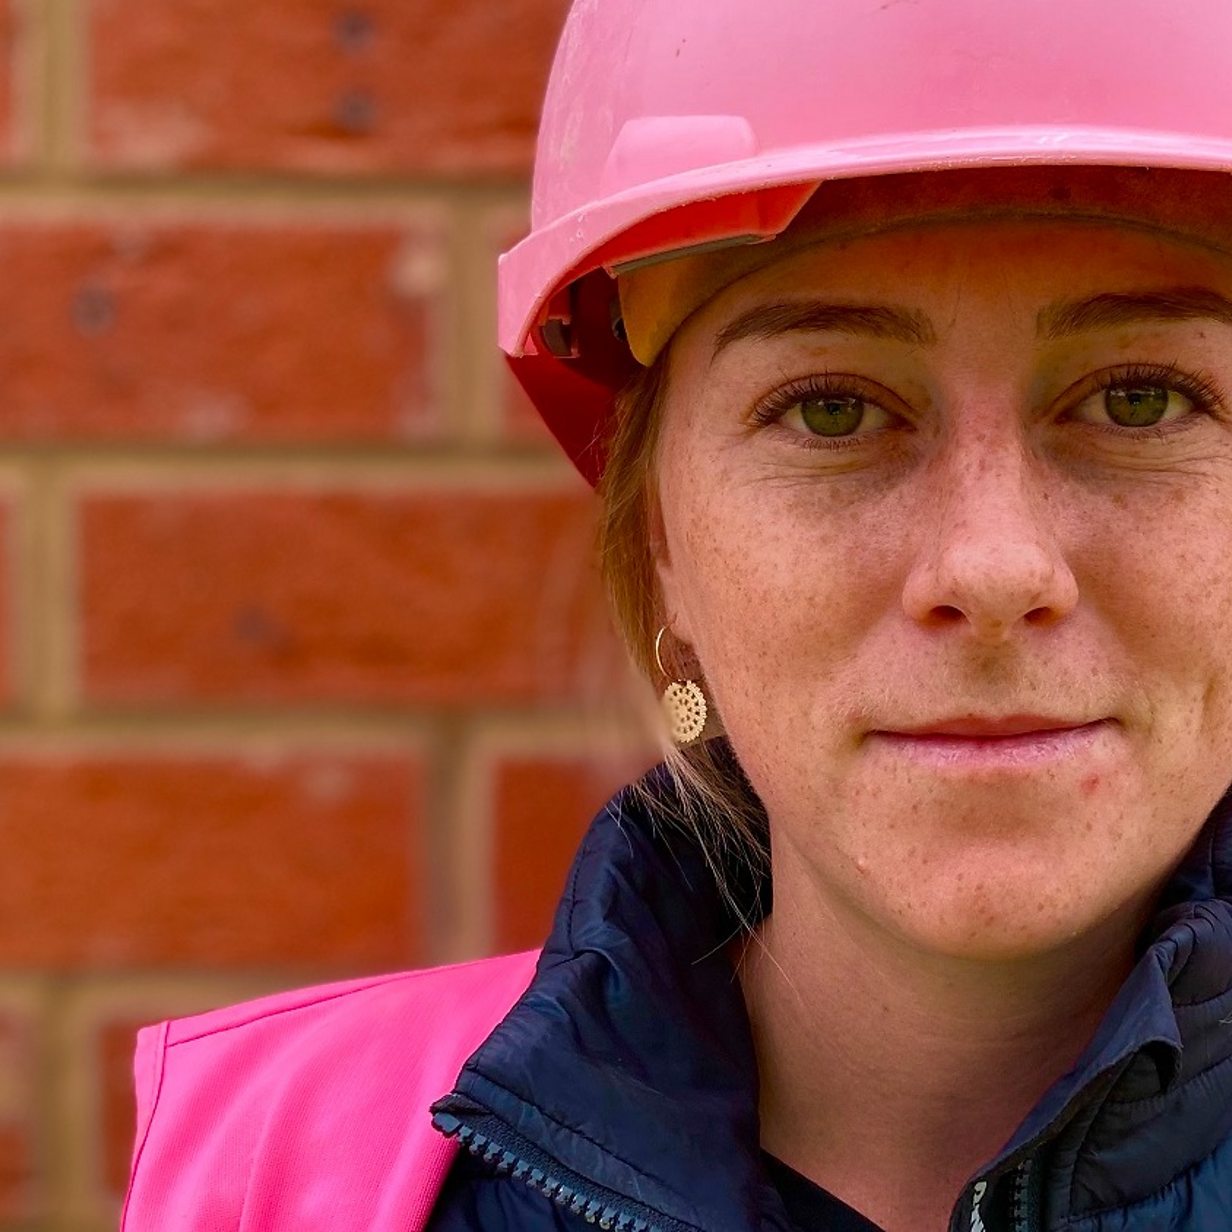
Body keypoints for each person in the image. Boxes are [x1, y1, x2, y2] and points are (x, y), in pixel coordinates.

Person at [121, 1, 1232, 1230]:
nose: (989, 564)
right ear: (660, 540)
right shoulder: (290, 1169)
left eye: (1138, 400)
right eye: (830, 409)